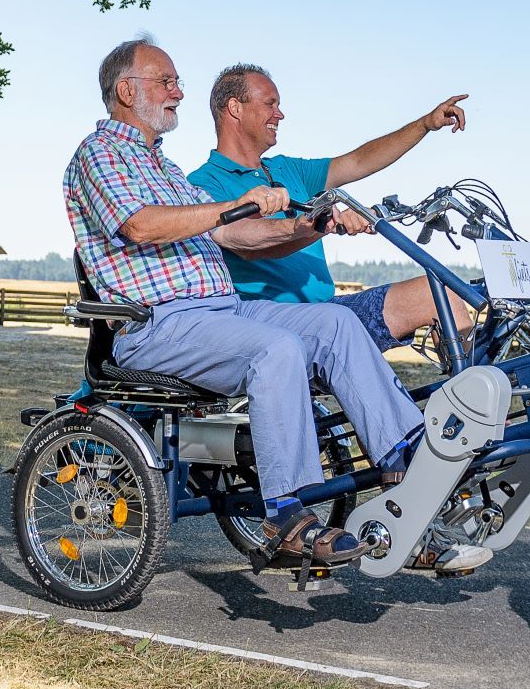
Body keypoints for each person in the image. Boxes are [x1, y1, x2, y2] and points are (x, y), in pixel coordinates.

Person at [63, 37, 425, 568]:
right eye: (166, 82)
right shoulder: (99, 155)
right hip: (157, 324)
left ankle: (408, 458)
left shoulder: (164, 169)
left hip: (222, 310)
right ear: (126, 90)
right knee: (275, 349)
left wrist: (307, 225)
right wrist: (234, 204)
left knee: (335, 323)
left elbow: (236, 236)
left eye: (177, 82)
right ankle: (286, 515)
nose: (178, 93)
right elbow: (140, 226)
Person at [189, 65, 473, 356]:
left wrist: (425, 124)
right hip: (274, 325)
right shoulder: (202, 184)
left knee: (443, 295)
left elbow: (358, 161)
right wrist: (316, 223)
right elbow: (240, 237)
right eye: (269, 104)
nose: (279, 114)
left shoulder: (287, 168)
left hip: (328, 310)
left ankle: (473, 384)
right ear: (235, 108)